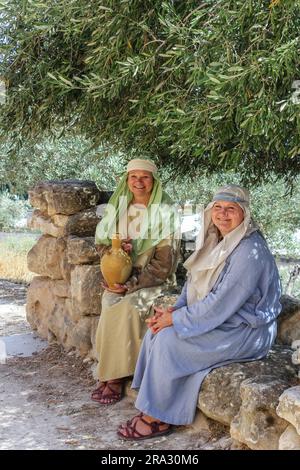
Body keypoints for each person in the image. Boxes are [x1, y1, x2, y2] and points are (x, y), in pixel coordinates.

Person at [117, 184, 282, 440]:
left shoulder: (250, 251)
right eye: (218, 207)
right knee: (155, 333)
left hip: (246, 332)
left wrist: (176, 320)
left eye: (231, 209)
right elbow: (194, 282)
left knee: (168, 342)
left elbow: (219, 303)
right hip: (223, 321)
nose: (223, 214)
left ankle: (158, 418)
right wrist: (176, 310)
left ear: (244, 213)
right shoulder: (218, 240)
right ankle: (153, 403)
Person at [91, 158, 180, 405]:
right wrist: (116, 256)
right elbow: (102, 244)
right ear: (126, 180)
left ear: (154, 181)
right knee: (109, 301)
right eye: (133, 177)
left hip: (153, 281)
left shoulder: (165, 212)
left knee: (128, 306)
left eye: (145, 177)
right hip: (121, 278)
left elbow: (164, 265)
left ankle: (116, 377)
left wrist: (131, 284)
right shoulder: (119, 206)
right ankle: (107, 373)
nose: (138, 182)